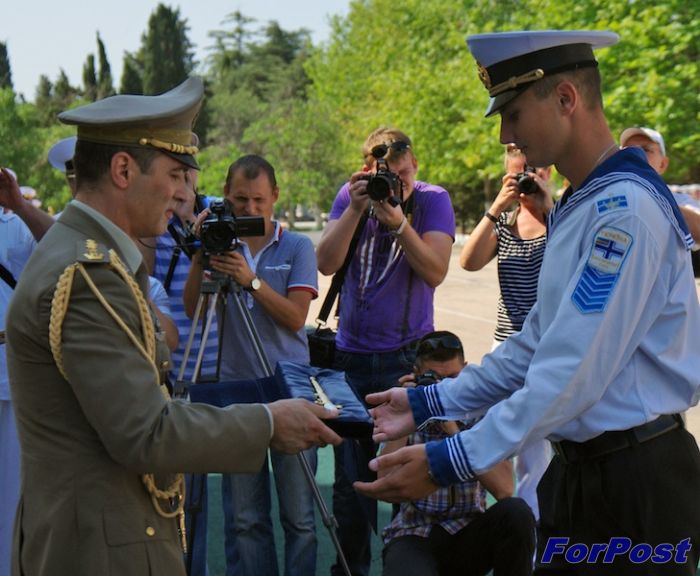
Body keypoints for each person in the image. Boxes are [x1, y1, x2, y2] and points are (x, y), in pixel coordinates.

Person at [355, 30, 700, 576]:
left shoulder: (623, 209)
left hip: (635, 486)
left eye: (512, 113)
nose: (504, 135)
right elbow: (535, 344)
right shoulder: (585, 200)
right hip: (582, 473)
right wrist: (431, 402)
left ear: (565, 98)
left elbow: (571, 370)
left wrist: (452, 458)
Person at [4, 77, 342, 576]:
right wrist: (270, 423)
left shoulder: (94, 260)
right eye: (176, 175)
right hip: (103, 549)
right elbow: (147, 432)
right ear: (123, 170)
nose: (186, 193)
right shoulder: (89, 275)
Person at [316, 127, 455, 576]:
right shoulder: (352, 196)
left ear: (414, 164)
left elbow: (435, 270)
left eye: (401, 173)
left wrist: (397, 222)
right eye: (384, 174)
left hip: (404, 356)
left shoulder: (432, 200)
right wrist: (357, 208)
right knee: (349, 485)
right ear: (367, 169)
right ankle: (350, 569)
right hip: (350, 358)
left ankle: (403, 567)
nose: (393, 182)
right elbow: (325, 262)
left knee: (402, 476)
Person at [184, 154, 320, 576]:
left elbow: (296, 318)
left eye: (259, 199)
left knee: (300, 516)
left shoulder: (297, 246)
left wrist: (251, 281)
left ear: (275, 196)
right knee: (245, 518)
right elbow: (193, 311)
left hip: (291, 388)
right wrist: (200, 252)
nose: (250, 208)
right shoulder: (222, 244)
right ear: (226, 194)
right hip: (238, 390)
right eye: (241, 199)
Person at [381, 330, 535, 576]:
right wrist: (407, 412)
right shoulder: (406, 407)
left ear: (465, 371)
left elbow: (505, 489)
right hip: (415, 532)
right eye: (435, 378)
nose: (445, 387)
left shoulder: (482, 412)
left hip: (468, 531)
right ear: (417, 374)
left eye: (453, 378)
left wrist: (455, 430)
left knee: (517, 513)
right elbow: (384, 482)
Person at [459, 143, 552, 520]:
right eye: (519, 175)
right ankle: (512, 521)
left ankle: (536, 532)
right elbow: (468, 262)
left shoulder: (561, 218)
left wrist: (547, 205)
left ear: (549, 173)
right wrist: (497, 206)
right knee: (497, 437)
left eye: (535, 172)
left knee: (538, 453)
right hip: (506, 345)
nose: (528, 181)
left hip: (547, 347)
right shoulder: (504, 223)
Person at [0, 168, 52, 576]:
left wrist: (19, 204)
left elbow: (62, 245)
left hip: (9, 380)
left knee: (12, 499)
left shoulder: (13, 225)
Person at [619, 126, 700, 249]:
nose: (636, 155)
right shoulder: (606, 195)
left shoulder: (679, 200)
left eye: (646, 149)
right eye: (628, 150)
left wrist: (654, 202)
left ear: (663, 164)